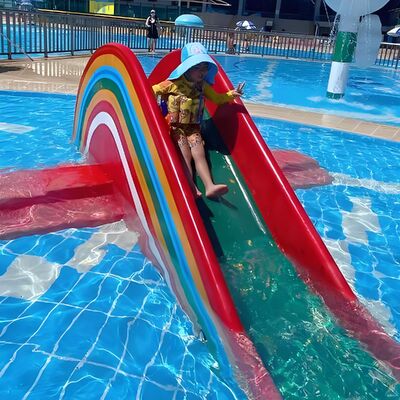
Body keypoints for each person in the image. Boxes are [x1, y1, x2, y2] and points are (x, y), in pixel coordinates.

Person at [152, 42, 243, 199]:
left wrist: (231, 95)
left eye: (205, 67)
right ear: (187, 67)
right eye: (197, 67)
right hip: (175, 128)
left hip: (193, 127)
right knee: (185, 153)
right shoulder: (172, 84)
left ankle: (209, 186)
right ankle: (191, 187)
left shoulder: (203, 86)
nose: (202, 72)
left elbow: (217, 99)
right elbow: (151, 90)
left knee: (199, 152)